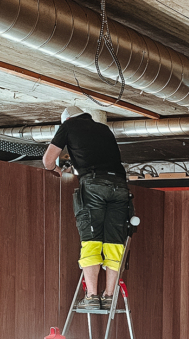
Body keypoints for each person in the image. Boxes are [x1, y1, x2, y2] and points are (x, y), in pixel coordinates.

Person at [42, 105, 131, 311]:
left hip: (94, 185)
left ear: (67, 119)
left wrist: (57, 170)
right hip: (119, 186)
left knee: (91, 239)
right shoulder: (103, 129)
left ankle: (92, 297)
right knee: (114, 242)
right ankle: (109, 296)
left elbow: (47, 161)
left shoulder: (68, 126)